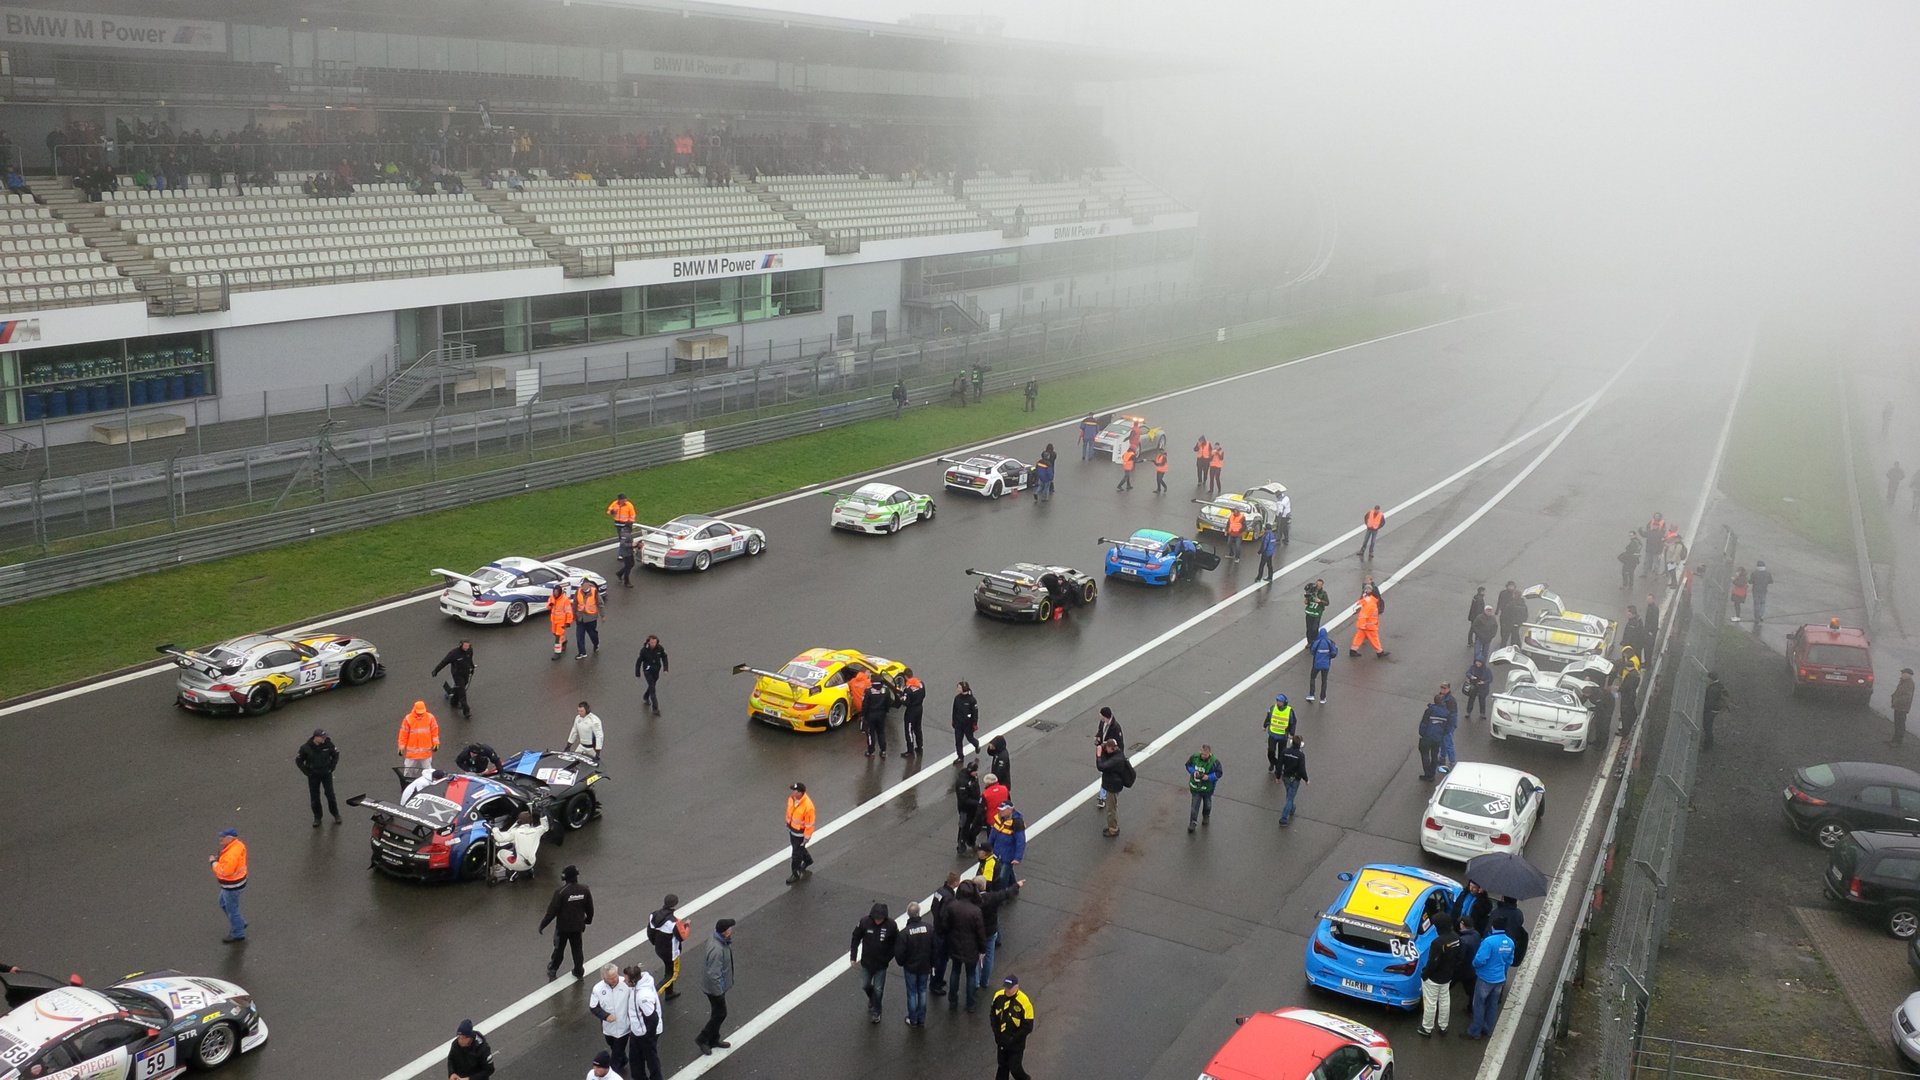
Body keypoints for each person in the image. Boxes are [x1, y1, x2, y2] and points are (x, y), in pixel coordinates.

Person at [1465, 914, 1517, 1040]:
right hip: (1500, 979)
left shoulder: (1488, 941)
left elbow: (1480, 959)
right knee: (1492, 1004)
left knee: (1478, 1004)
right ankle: (1488, 1029)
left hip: (1485, 978)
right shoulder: (1510, 942)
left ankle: (1475, 1031)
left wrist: (1475, 966)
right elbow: (1509, 960)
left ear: (1493, 927)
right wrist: (1502, 970)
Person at [540, 865, 594, 981]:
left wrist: (543, 925)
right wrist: (587, 921)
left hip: (563, 928)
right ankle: (579, 970)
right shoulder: (584, 890)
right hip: (577, 927)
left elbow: (552, 911)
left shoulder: (561, 892)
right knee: (577, 949)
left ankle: (553, 969)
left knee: (559, 949)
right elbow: (590, 909)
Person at [941, 880, 988, 1012]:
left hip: (955, 944)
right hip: (971, 948)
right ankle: (970, 1004)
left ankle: (953, 1000)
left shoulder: (952, 906)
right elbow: (980, 932)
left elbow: (945, 924)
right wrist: (983, 949)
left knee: (955, 971)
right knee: (971, 975)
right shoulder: (975, 911)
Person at [1417, 916, 1462, 1037]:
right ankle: (1443, 1026)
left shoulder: (1437, 943)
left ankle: (1427, 1028)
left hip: (1434, 978)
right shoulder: (1456, 938)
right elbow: (1459, 959)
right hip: (1447, 976)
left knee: (1430, 1003)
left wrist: (1425, 975)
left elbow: (1433, 962)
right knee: (1444, 1001)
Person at [695, 919, 736, 1054]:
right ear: (725, 931)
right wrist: (718, 992)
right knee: (721, 1014)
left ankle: (714, 1039)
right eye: (729, 928)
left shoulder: (716, 939)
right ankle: (702, 1038)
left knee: (716, 1013)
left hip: (717, 986)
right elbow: (714, 974)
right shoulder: (717, 950)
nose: (731, 930)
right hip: (715, 988)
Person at [896, 902, 935, 1027]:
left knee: (912, 993)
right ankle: (921, 1018)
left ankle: (913, 1019)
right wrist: (933, 963)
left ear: (908, 914)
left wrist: (902, 963)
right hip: (925, 966)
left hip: (911, 967)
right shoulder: (929, 928)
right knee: (922, 991)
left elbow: (900, 952)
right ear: (919, 913)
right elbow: (935, 947)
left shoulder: (905, 932)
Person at [589, 965, 633, 1078]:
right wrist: (605, 1016)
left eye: (615, 976)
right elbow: (594, 1007)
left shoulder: (626, 984)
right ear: (604, 978)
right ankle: (623, 1060)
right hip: (608, 1029)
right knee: (613, 1047)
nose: (615, 979)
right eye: (611, 978)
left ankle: (615, 1071)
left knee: (615, 1057)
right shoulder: (598, 989)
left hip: (624, 1027)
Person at [990, 975, 1037, 1080]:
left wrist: (1014, 1038)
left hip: (1016, 1043)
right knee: (1002, 1066)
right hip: (1001, 1040)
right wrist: (997, 1033)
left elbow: (1028, 1026)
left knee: (1014, 1068)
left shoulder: (1024, 1001)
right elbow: (993, 1015)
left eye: (1010, 988)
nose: (1007, 990)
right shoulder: (998, 996)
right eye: (1006, 987)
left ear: (1017, 987)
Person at [296, 728, 341, 827]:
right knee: (315, 797)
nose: (324, 739)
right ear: (316, 738)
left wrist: (332, 767)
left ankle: (336, 814)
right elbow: (299, 760)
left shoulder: (328, 744)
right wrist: (307, 772)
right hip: (313, 776)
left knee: (330, 795)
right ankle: (317, 817)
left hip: (326, 774)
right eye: (322, 737)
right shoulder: (306, 748)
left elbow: (335, 755)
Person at [625, 968, 664, 1080]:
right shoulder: (640, 984)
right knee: (636, 1060)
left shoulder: (642, 996)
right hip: (638, 1031)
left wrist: (648, 1037)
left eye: (626, 979)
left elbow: (652, 1018)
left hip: (644, 1033)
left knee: (651, 1060)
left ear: (633, 981)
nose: (624, 981)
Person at [646, 895, 688, 999]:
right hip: (671, 952)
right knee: (672, 974)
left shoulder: (654, 915)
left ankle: (669, 992)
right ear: (674, 906)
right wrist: (686, 926)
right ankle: (653, 996)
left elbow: (650, 931)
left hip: (659, 949)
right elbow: (682, 936)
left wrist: (654, 942)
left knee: (668, 969)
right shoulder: (674, 922)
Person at [211, 828, 248, 942]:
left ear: (230, 838)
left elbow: (225, 871)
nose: (220, 839)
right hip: (237, 882)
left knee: (232, 910)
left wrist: (213, 863)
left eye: (223, 837)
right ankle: (240, 923)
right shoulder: (238, 845)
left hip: (232, 886)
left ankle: (238, 933)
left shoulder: (231, 854)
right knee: (223, 902)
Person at [491, 810, 547, 878]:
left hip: (518, 864)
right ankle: (529, 870)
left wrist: (494, 829)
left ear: (519, 821)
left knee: (500, 853)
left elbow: (499, 838)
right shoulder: (537, 831)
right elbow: (545, 827)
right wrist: (543, 817)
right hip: (532, 863)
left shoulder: (515, 832)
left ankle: (512, 871)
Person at [433, 640, 476, 719]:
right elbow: (444, 662)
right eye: (465, 646)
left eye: (468, 646)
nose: (467, 647)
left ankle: (454, 702)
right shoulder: (454, 654)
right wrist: (436, 671)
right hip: (457, 675)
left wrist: (472, 667)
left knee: (460, 689)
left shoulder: (470, 650)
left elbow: (470, 660)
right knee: (462, 692)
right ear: (461, 645)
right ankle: (466, 711)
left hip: (465, 673)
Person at [1096, 739, 1132, 837]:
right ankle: (1112, 826)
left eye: (1106, 747)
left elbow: (1101, 766)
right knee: (1112, 807)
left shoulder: (1116, 760)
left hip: (1113, 786)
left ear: (1111, 748)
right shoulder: (1118, 754)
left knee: (1111, 809)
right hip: (1114, 784)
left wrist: (1099, 755)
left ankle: (1113, 829)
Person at [397, 700, 440, 779]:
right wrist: (401, 748)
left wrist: (436, 743)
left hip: (423, 752)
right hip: (414, 752)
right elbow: (403, 734)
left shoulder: (430, 717)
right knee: (408, 770)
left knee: (428, 770)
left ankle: (429, 781)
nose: (420, 714)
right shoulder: (408, 719)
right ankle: (407, 782)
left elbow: (434, 731)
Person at [1186, 744, 1222, 832]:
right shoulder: (1194, 757)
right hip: (1196, 787)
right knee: (1194, 806)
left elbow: (1219, 773)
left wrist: (1208, 777)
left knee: (1207, 804)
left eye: (1205, 755)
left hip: (1208, 788)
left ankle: (1206, 816)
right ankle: (1193, 822)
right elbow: (1188, 765)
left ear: (1209, 753)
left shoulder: (1215, 762)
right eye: (1202, 754)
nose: (1203, 756)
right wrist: (1193, 772)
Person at [785, 782, 816, 884]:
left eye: (794, 790)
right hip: (792, 830)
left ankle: (795, 873)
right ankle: (807, 860)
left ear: (800, 793)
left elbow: (809, 824)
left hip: (800, 833)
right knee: (798, 848)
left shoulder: (808, 807)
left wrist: (807, 837)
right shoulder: (792, 799)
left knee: (796, 854)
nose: (792, 792)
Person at [1277, 734, 1309, 826]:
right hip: (1295, 779)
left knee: (1289, 794)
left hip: (1286, 777)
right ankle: (1283, 818)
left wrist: (1278, 776)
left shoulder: (1285, 751)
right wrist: (1306, 779)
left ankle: (1291, 809)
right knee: (1290, 798)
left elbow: (1279, 765)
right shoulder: (1300, 755)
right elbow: (1302, 769)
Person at [1094, 707, 1122, 808]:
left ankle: (1103, 797)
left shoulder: (1115, 727)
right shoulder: (1102, 723)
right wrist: (1097, 737)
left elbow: (1119, 743)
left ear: (1104, 715)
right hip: (1104, 752)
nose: (1099, 715)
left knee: (1106, 774)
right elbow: (1100, 732)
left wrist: (1120, 756)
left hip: (1110, 754)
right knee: (1104, 774)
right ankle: (1104, 795)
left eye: (1100, 714)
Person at [956, 760, 985, 853]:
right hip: (965, 809)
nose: (976, 773)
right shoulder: (962, 782)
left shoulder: (973, 778)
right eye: (975, 771)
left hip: (974, 807)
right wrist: (977, 802)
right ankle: (961, 845)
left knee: (976, 825)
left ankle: (970, 841)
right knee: (964, 826)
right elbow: (963, 799)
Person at [990, 802, 1027, 874]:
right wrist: (988, 847)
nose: (1001, 811)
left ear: (1010, 810)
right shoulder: (999, 818)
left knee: (1002, 878)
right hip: (997, 853)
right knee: (1007, 876)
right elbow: (993, 834)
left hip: (1008, 856)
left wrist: (1017, 858)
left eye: (1003, 810)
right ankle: (1014, 884)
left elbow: (1020, 841)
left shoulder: (1017, 822)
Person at [1418, 696, 1449, 782]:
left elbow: (1424, 724)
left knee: (1425, 754)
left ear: (1434, 701)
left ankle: (1428, 774)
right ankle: (1432, 773)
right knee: (1434, 755)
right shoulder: (1446, 713)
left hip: (1427, 737)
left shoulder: (1429, 711)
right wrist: (1441, 734)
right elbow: (1447, 727)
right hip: (1437, 739)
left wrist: (1422, 734)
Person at [1350, 588, 1388, 658]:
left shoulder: (1368, 601)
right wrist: (1363, 625)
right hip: (1369, 626)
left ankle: (1353, 650)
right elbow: (1364, 616)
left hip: (1365, 626)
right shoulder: (1371, 604)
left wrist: (1362, 625)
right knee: (1374, 639)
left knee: (1359, 637)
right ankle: (1380, 652)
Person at [1264, 693, 1296, 776]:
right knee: (1270, 751)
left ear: (1284, 702)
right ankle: (1273, 763)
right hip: (1273, 734)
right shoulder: (1273, 708)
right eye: (1277, 701)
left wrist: (1291, 733)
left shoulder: (1289, 711)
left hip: (1283, 736)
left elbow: (1293, 722)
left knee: (1281, 753)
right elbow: (1268, 717)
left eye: (1280, 701)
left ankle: (1279, 768)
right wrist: (1265, 725)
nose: (1278, 703)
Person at [863, 674, 892, 758]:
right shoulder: (886, 690)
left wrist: (863, 715)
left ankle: (871, 752)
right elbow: (888, 702)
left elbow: (865, 705)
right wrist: (886, 711)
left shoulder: (868, 691)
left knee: (870, 733)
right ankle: (883, 751)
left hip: (871, 715)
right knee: (881, 732)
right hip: (881, 715)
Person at [1304, 627, 1336, 703]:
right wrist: (1328, 657)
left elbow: (1312, 651)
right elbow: (1334, 653)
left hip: (1316, 664)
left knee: (1313, 678)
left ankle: (1312, 695)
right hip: (1326, 665)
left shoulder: (1317, 642)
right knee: (1324, 681)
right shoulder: (1330, 642)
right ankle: (1322, 698)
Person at [636, 635, 668, 713]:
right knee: (652, 688)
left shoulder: (660, 648)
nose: (653, 644)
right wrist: (637, 673)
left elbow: (664, 657)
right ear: (648, 642)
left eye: (655, 642)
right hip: (647, 670)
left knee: (652, 685)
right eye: (652, 642)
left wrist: (665, 669)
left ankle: (646, 696)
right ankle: (655, 708)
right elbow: (639, 661)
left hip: (656, 670)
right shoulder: (644, 650)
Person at [953, 681, 982, 759]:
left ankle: (976, 744)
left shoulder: (971, 700)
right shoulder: (957, 698)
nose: (958, 689)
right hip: (958, 723)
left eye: (959, 687)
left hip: (968, 724)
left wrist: (975, 724)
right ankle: (960, 756)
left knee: (970, 738)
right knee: (958, 740)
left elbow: (975, 713)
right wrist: (953, 720)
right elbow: (954, 710)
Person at [900, 670, 926, 757]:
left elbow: (906, 702)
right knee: (918, 728)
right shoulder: (921, 684)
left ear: (905, 677)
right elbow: (924, 694)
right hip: (919, 708)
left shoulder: (907, 689)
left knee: (909, 730)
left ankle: (910, 750)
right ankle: (919, 746)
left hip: (911, 711)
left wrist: (901, 699)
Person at [1701, 670, 1727, 751]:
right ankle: (1709, 743)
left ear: (1710, 679)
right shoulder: (1719, 685)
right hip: (1716, 709)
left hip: (1711, 711)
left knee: (1707, 727)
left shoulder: (1712, 689)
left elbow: (1710, 703)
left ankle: (1707, 746)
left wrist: (1703, 710)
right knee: (1709, 726)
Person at [548, 584, 574, 659]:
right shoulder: (552, 597)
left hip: (561, 622)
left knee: (557, 638)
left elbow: (569, 611)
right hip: (554, 621)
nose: (555, 593)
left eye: (557, 592)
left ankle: (557, 654)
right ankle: (564, 642)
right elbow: (548, 607)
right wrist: (550, 604)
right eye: (554, 591)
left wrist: (568, 621)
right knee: (555, 634)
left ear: (560, 592)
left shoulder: (565, 600)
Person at [1497, 582, 1527, 648]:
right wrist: (1520, 622)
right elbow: (1525, 615)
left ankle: (1502, 651)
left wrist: (1505, 622)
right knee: (1515, 638)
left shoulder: (1510, 605)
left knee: (1505, 639)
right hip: (1516, 624)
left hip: (1509, 623)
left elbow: (1505, 615)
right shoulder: (1523, 605)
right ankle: (1515, 649)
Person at [1464, 657, 1493, 721]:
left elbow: (1490, 679)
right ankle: (1468, 712)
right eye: (1477, 662)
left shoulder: (1487, 670)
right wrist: (1470, 676)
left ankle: (1482, 713)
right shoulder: (1472, 667)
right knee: (1471, 700)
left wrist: (1484, 682)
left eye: (1479, 662)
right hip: (1473, 686)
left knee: (1482, 700)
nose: (1478, 663)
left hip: (1482, 688)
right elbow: (1467, 673)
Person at [1896, 669, 1917, 745]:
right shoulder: (1903, 681)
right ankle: (1894, 739)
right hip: (1898, 706)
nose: (1902, 674)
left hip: (1902, 707)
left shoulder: (1909, 684)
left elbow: (1907, 696)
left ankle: (1898, 741)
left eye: (1903, 673)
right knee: (1897, 723)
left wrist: (1898, 700)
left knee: (1900, 724)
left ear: (1908, 675)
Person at [1749, 560, 1773, 624]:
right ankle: (1761, 615)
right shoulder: (1768, 573)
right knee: (1762, 603)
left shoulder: (1754, 573)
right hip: (1764, 591)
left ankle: (1756, 617)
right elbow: (1771, 581)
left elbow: (1750, 581)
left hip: (1756, 590)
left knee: (1756, 604)